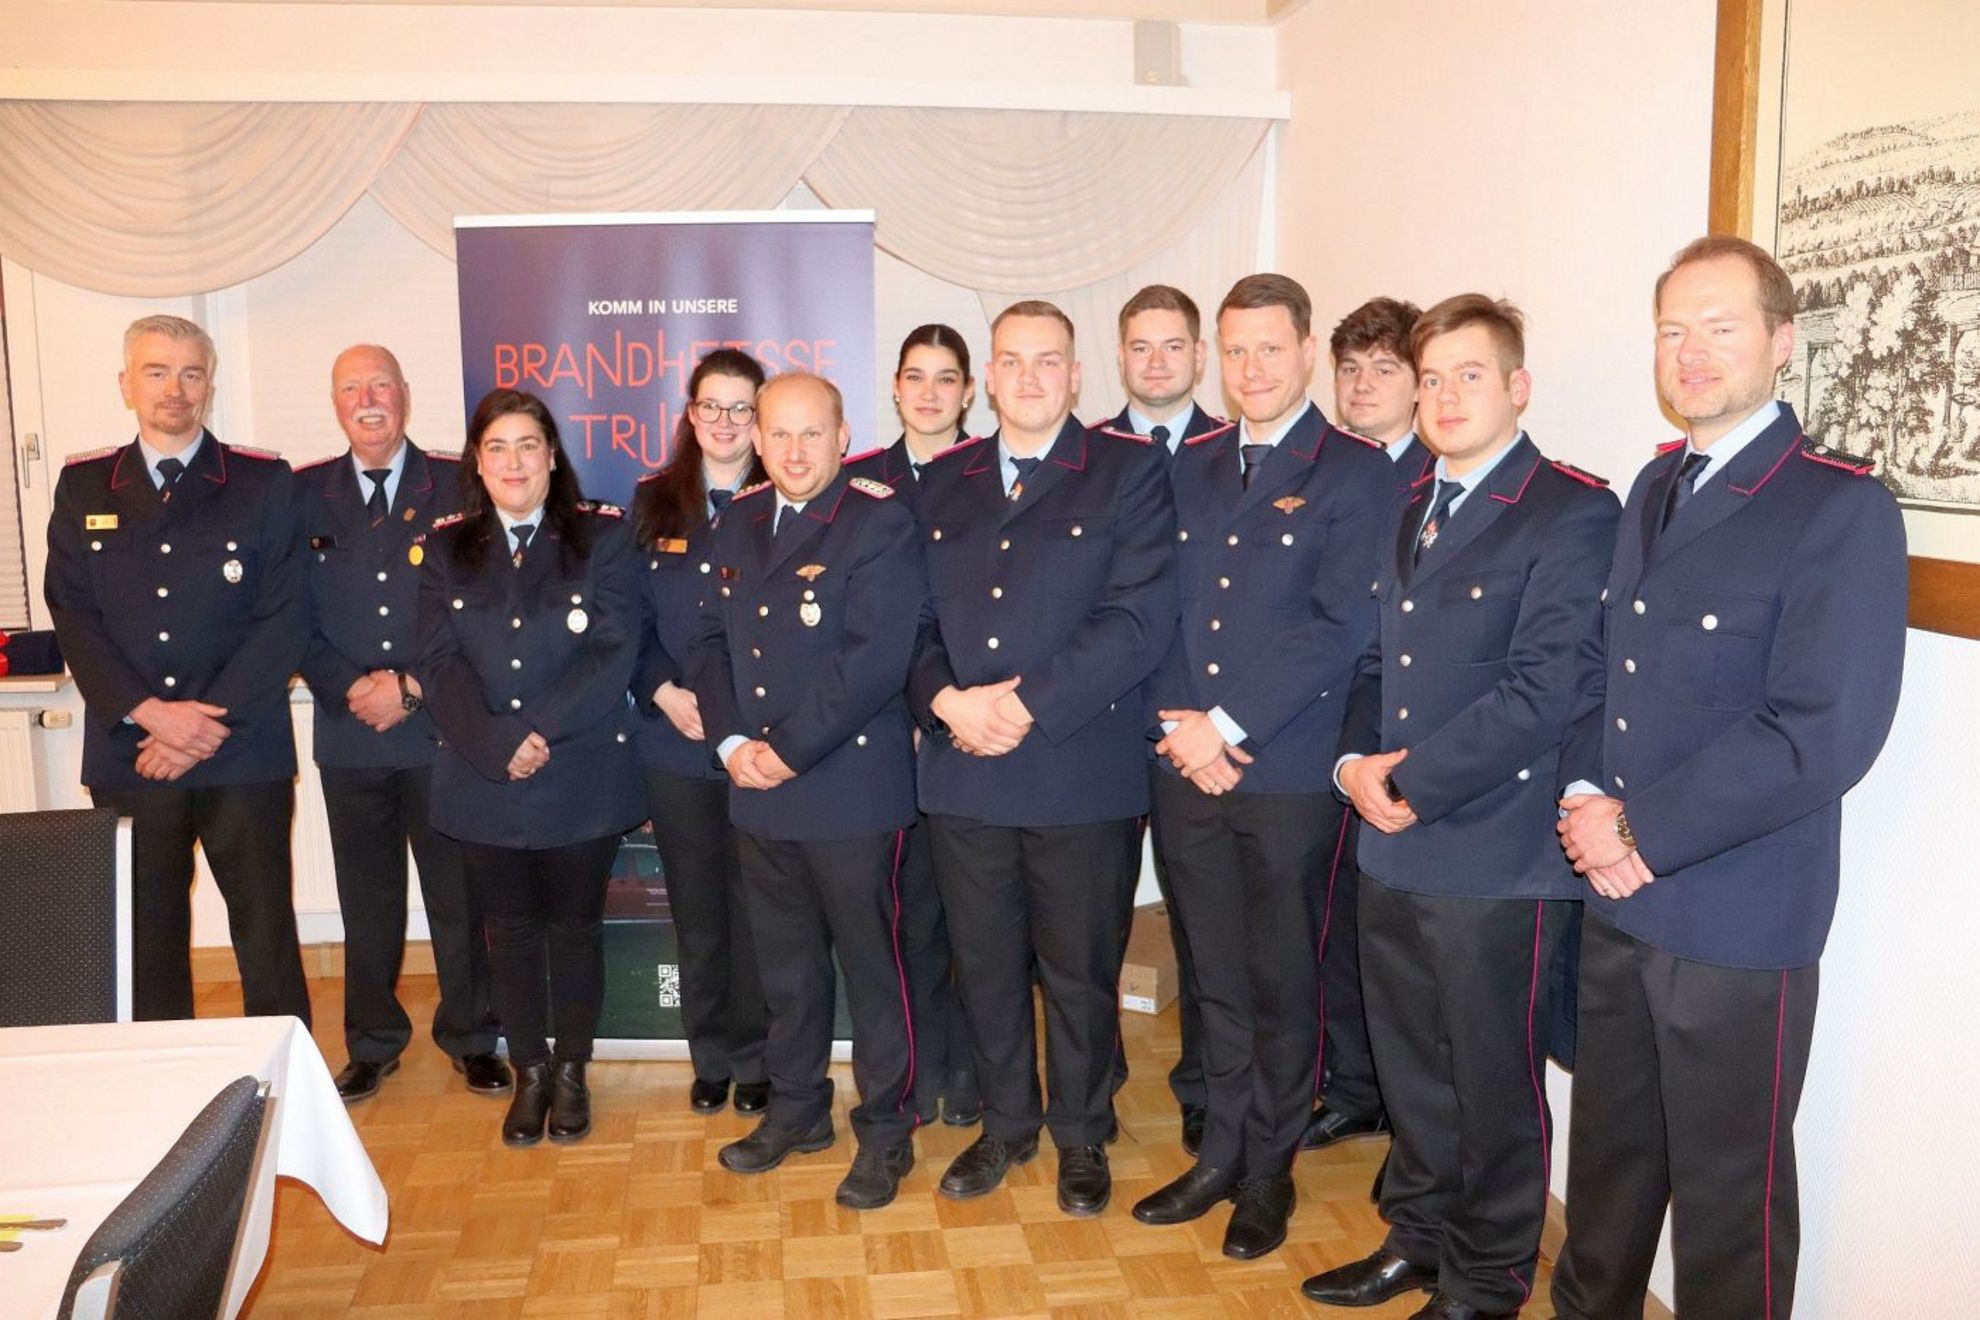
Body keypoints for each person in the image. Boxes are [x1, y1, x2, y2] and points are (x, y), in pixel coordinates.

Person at [1551, 237, 1907, 1320]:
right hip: (1618, 902)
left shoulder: (1838, 506)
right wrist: (1582, 799)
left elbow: (1822, 731)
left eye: (1720, 327)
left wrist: (1637, 830)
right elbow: (1604, 672)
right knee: (1605, 1184)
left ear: (1782, 341)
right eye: (1673, 330)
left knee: (1726, 1216)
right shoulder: (1655, 484)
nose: (1691, 351)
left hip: (1737, 918)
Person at [1304, 295, 1619, 1319]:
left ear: (1518, 386)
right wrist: (1354, 765)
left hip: (1494, 857)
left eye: (1468, 375)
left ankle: (1486, 1281)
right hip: (1392, 846)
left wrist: (1408, 783)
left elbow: (1546, 690)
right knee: (1412, 1073)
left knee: (1490, 1083)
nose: (1444, 396)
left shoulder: (1571, 510)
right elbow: (1373, 665)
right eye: (1431, 378)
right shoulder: (1412, 507)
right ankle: (1419, 1240)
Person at [1133, 274, 1391, 1259]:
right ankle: (1220, 1156)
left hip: (1283, 774)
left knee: (1283, 984)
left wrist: (1226, 726)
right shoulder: (1189, 464)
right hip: (1186, 768)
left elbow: (1341, 626)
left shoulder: (1357, 472)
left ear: (1307, 351)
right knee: (1213, 976)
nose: (1251, 368)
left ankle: (1268, 1175)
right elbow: (1156, 608)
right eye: (1235, 350)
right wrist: (1180, 727)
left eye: (1270, 349)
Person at [912, 300, 1178, 1217]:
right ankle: (1007, 1125)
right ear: (988, 378)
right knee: (984, 967)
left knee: (1079, 970)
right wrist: (946, 701)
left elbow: (1138, 619)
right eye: (1012, 362)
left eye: (1048, 361)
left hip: (1077, 771)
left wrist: (1022, 704)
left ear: (1076, 374)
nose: (1029, 377)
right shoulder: (940, 480)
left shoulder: (1129, 471)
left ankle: (1081, 1133)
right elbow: (910, 620)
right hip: (965, 768)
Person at [688, 372, 928, 1210]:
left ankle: (888, 1131)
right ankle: (798, 1110)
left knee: (874, 973)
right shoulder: (739, 519)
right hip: (758, 785)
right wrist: (730, 743)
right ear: (756, 439)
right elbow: (708, 641)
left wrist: (784, 751)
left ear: (843, 436)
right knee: (785, 969)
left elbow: (873, 660)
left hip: (849, 788)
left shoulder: (878, 520)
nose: (794, 452)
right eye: (779, 434)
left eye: (812, 434)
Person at [45, 314, 311, 1024]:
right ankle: (163, 1072)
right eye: (157, 372)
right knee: (145, 937)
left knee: (266, 936)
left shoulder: (262, 482)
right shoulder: (85, 486)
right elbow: (73, 614)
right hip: (131, 751)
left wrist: (203, 726)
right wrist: (152, 715)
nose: (175, 389)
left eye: (191, 373)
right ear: (126, 384)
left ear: (209, 385)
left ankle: (285, 1072)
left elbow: (286, 614)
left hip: (242, 749)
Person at [414, 387, 643, 1147]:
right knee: (508, 932)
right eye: (497, 448)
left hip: (579, 771)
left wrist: (538, 730)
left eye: (527, 446)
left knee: (575, 930)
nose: (513, 463)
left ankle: (572, 1072)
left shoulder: (601, 537)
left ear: (552, 456)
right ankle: (530, 1073)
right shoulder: (447, 549)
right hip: (482, 776)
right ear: (477, 463)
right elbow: (437, 663)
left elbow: (614, 649)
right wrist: (494, 743)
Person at [296, 344, 507, 1103]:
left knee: (458, 895)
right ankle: (372, 1043)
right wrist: (349, 686)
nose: (368, 399)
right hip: (348, 729)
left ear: (405, 394)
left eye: (380, 384)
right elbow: (287, 612)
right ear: (335, 402)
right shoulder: (302, 494)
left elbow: (484, 603)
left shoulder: (457, 482)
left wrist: (412, 687)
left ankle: (473, 1037)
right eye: (351, 387)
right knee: (367, 899)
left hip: (439, 728)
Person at [1096, 284, 1230, 1155]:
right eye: (1141, 346)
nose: (1156, 362)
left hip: (1200, 733)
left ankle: (1205, 1090)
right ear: (1119, 357)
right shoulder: (1087, 455)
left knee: (1204, 928)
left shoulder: (1237, 453)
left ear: (1198, 356)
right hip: (1102, 732)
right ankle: (1093, 1089)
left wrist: (1196, 724)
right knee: (1091, 927)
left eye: (1173, 345)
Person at [1299, 297, 1426, 1163]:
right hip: (1318, 735)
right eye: (1350, 370)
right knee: (1332, 927)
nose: (1363, 385)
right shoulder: (1324, 472)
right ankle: (1352, 1089)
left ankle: (1401, 1115)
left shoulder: (1435, 479)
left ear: (1419, 384)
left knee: (1393, 943)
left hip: (1397, 739)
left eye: (1385, 368)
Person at [628, 349, 771, 1118]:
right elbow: (627, 621)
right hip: (675, 740)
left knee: (756, 911)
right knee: (697, 911)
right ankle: (711, 1055)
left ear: (760, 416)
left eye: (741, 407)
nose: (725, 421)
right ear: (689, 413)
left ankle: (758, 1057)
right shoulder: (653, 502)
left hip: (757, 743)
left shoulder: (784, 495)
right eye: (710, 405)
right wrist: (659, 689)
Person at [845, 324, 981, 1128]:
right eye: (916, 377)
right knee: (912, 917)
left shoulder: (996, 472)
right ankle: (924, 1065)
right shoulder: (859, 481)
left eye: (946, 378)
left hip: (973, 729)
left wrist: (961, 707)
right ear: (894, 388)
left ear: (969, 391)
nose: (930, 393)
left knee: (979, 921)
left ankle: (972, 1068)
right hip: (884, 736)